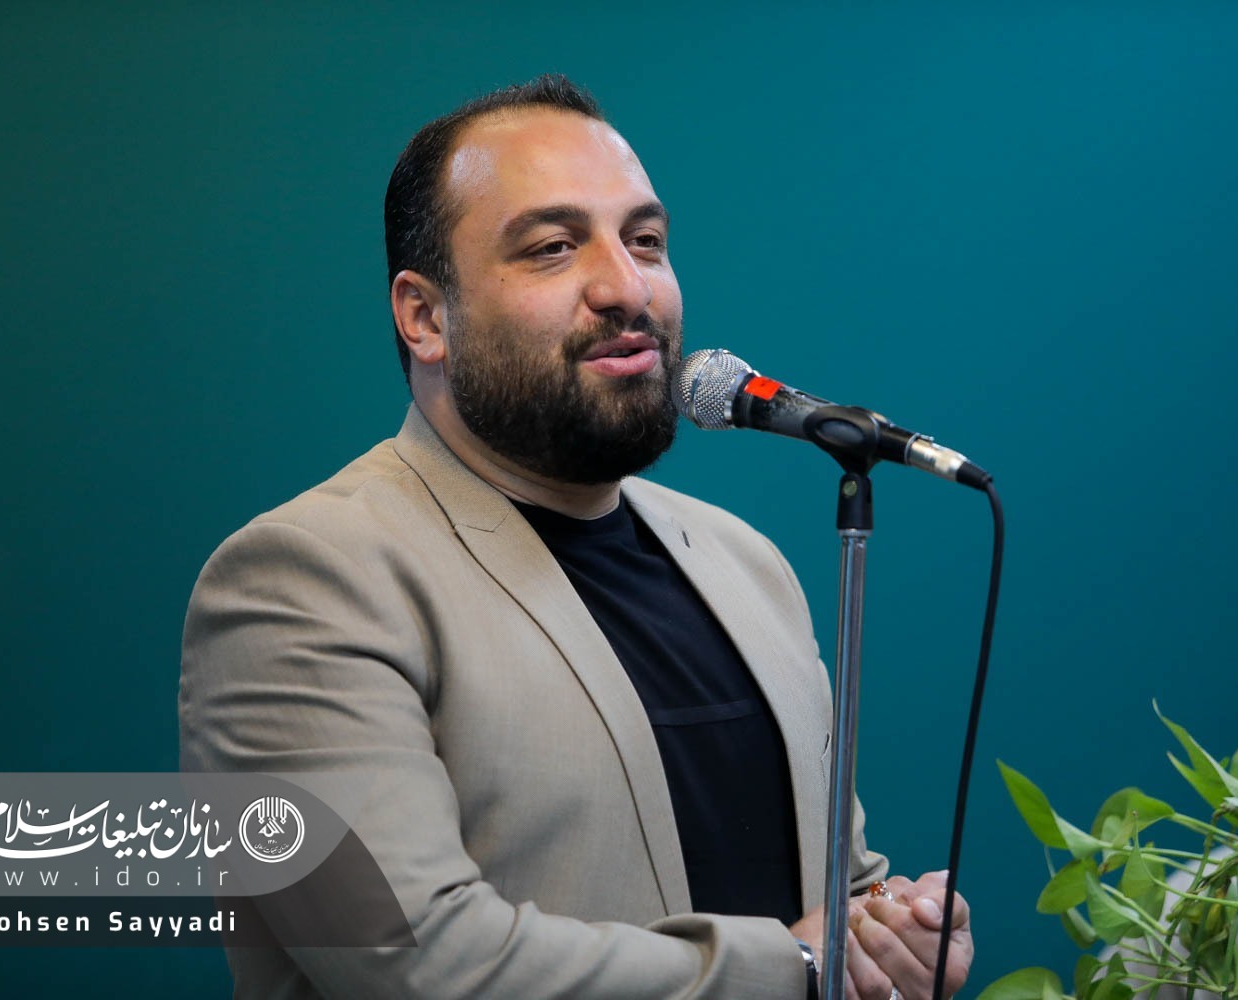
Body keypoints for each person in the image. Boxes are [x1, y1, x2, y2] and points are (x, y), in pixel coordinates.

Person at [180, 74, 973, 1000]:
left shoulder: (747, 566)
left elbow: (838, 900)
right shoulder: (304, 581)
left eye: (646, 241)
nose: (625, 287)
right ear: (425, 316)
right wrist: (796, 967)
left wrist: (890, 937)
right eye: (553, 248)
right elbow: (420, 963)